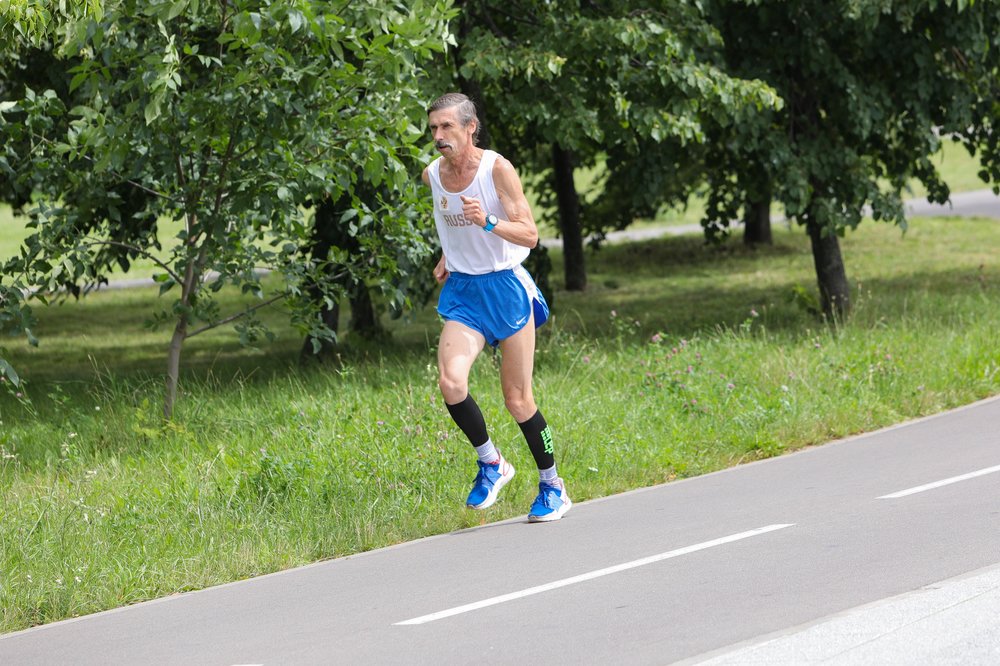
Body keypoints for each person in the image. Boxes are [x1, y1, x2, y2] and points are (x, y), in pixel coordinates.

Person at [421, 92, 571, 522]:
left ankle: (552, 486)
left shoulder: (496, 169)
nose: (438, 136)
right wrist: (449, 254)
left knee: (517, 399)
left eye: (447, 127)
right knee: (451, 382)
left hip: (506, 288)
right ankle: (492, 463)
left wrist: (486, 221)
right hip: (465, 293)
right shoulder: (433, 174)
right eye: (433, 128)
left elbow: (529, 234)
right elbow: (450, 223)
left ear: (471, 127)